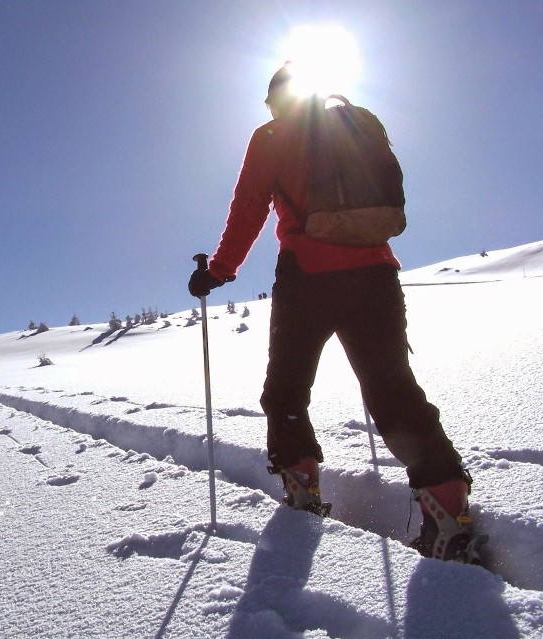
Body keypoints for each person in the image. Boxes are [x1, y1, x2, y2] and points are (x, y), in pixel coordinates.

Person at [187, 63, 475, 561]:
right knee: (394, 391)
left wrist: (218, 271)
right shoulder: (356, 120)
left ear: (276, 99)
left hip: (307, 278)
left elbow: (249, 206)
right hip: (377, 274)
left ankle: (301, 494)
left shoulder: (272, 136)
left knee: (287, 390)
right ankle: (449, 513)